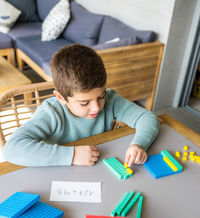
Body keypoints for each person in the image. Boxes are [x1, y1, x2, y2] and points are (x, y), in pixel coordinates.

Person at [3, 44, 159, 167]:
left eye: (101, 96)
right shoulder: (51, 112)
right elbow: (12, 150)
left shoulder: (111, 100)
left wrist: (139, 144)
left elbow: (147, 117)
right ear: (61, 98)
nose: (96, 108)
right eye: (84, 103)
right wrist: (72, 155)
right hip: (61, 173)